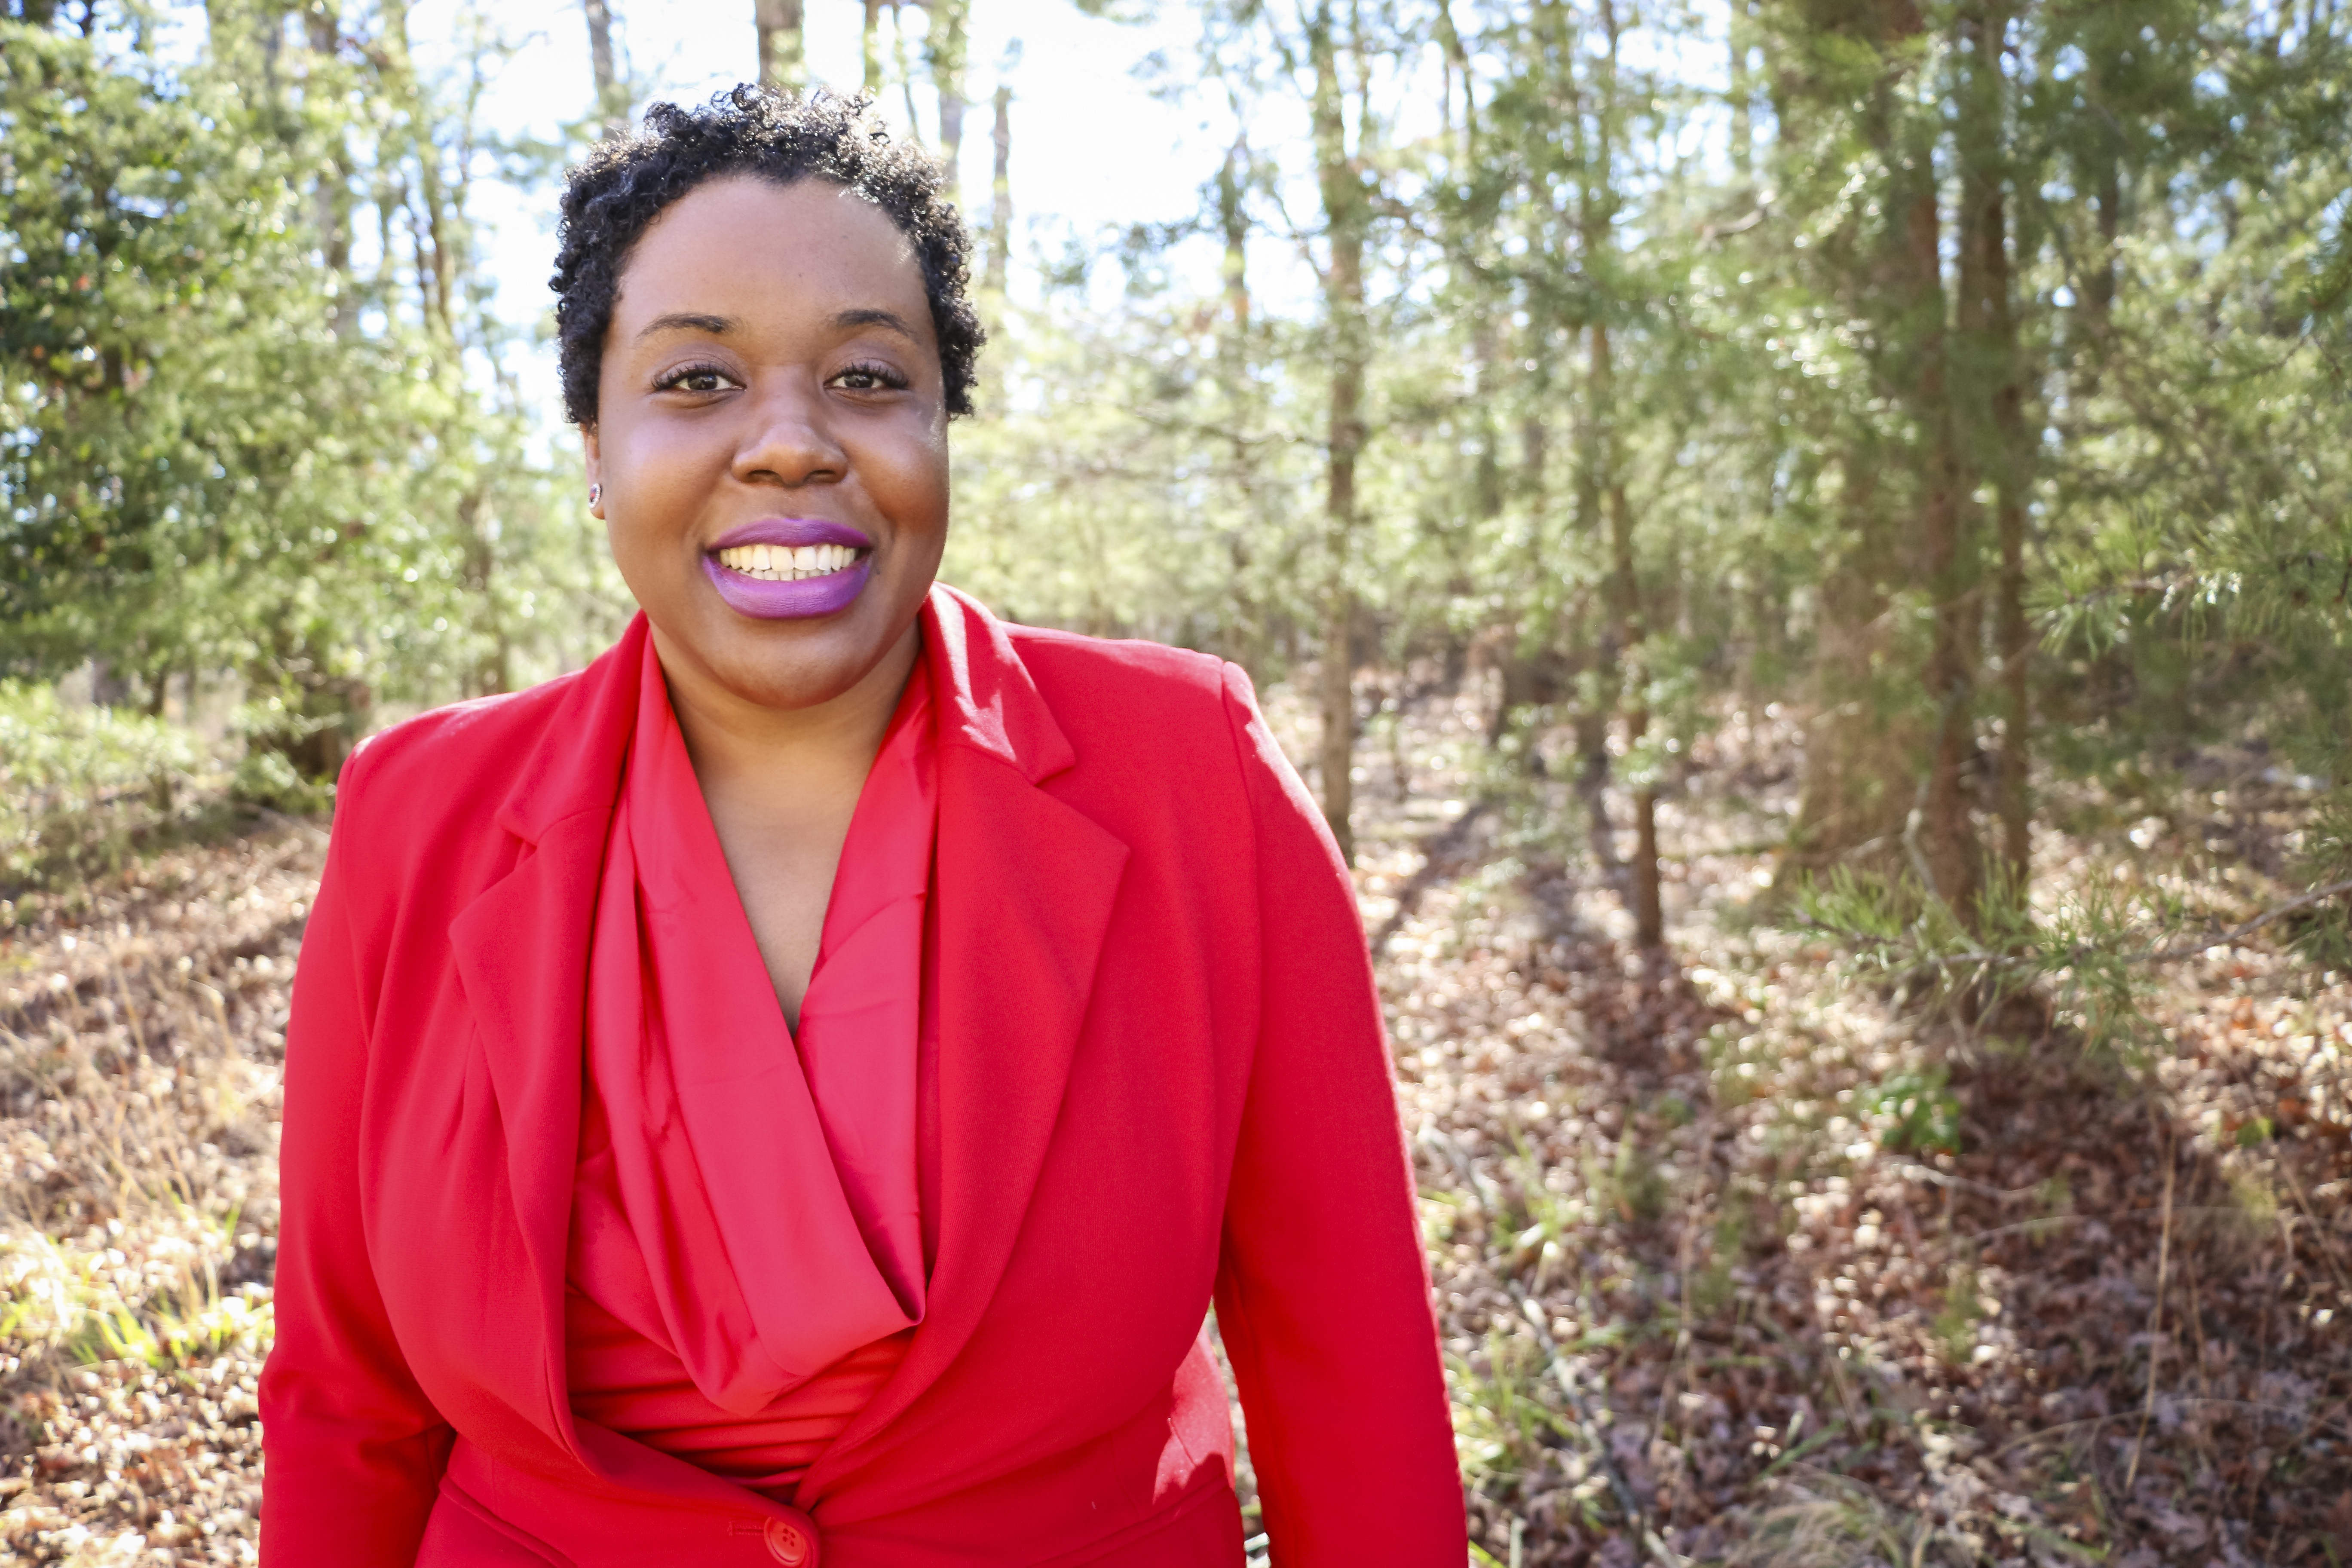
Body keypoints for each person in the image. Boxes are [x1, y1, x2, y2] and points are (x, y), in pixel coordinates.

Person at [257, 87, 1464, 1568]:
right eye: (697, 380)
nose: (789, 445)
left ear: (937, 419)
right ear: (593, 443)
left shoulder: (1190, 773)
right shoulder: (416, 816)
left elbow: (1348, 1359)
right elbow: (344, 1398)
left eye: (866, 375)